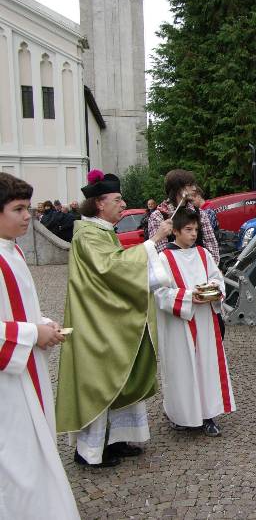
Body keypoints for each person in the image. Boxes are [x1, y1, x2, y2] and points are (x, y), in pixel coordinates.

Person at [56, 169, 174, 467]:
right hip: (96, 323)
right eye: (118, 199)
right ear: (99, 203)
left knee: (121, 375)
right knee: (101, 379)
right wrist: (155, 239)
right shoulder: (88, 235)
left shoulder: (102, 232)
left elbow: (118, 269)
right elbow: (112, 269)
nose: (123, 204)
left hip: (108, 317)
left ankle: (115, 440)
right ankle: (91, 451)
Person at [0, 173, 80, 519]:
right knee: (18, 459)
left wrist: (43, 323)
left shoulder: (12, 250)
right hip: (7, 385)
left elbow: (18, 309)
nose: (27, 216)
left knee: (33, 450)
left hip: (26, 371)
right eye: (18, 209)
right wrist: (33, 333)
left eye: (28, 208)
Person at [154, 209, 236, 437]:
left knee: (206, 365)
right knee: (182, 368)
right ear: (176, 231)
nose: (193, 234)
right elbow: (159, 292)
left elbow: (217, 278)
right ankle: (180, 416)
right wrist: (190, 296)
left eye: (196, 230)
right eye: (188, 230)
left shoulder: (203, 253)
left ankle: (208, 414)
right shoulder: (164, 258)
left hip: (205, 320)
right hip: (180, 324)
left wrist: (213, 290)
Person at [148, 169, 220, 263]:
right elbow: (160, 253)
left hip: (200, 270)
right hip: (174, 273)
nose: (195, 188)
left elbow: (212, 246)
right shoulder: (158, 217)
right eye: (190, 185)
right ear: (178, 188)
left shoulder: (200, 214)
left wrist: (209, 270)